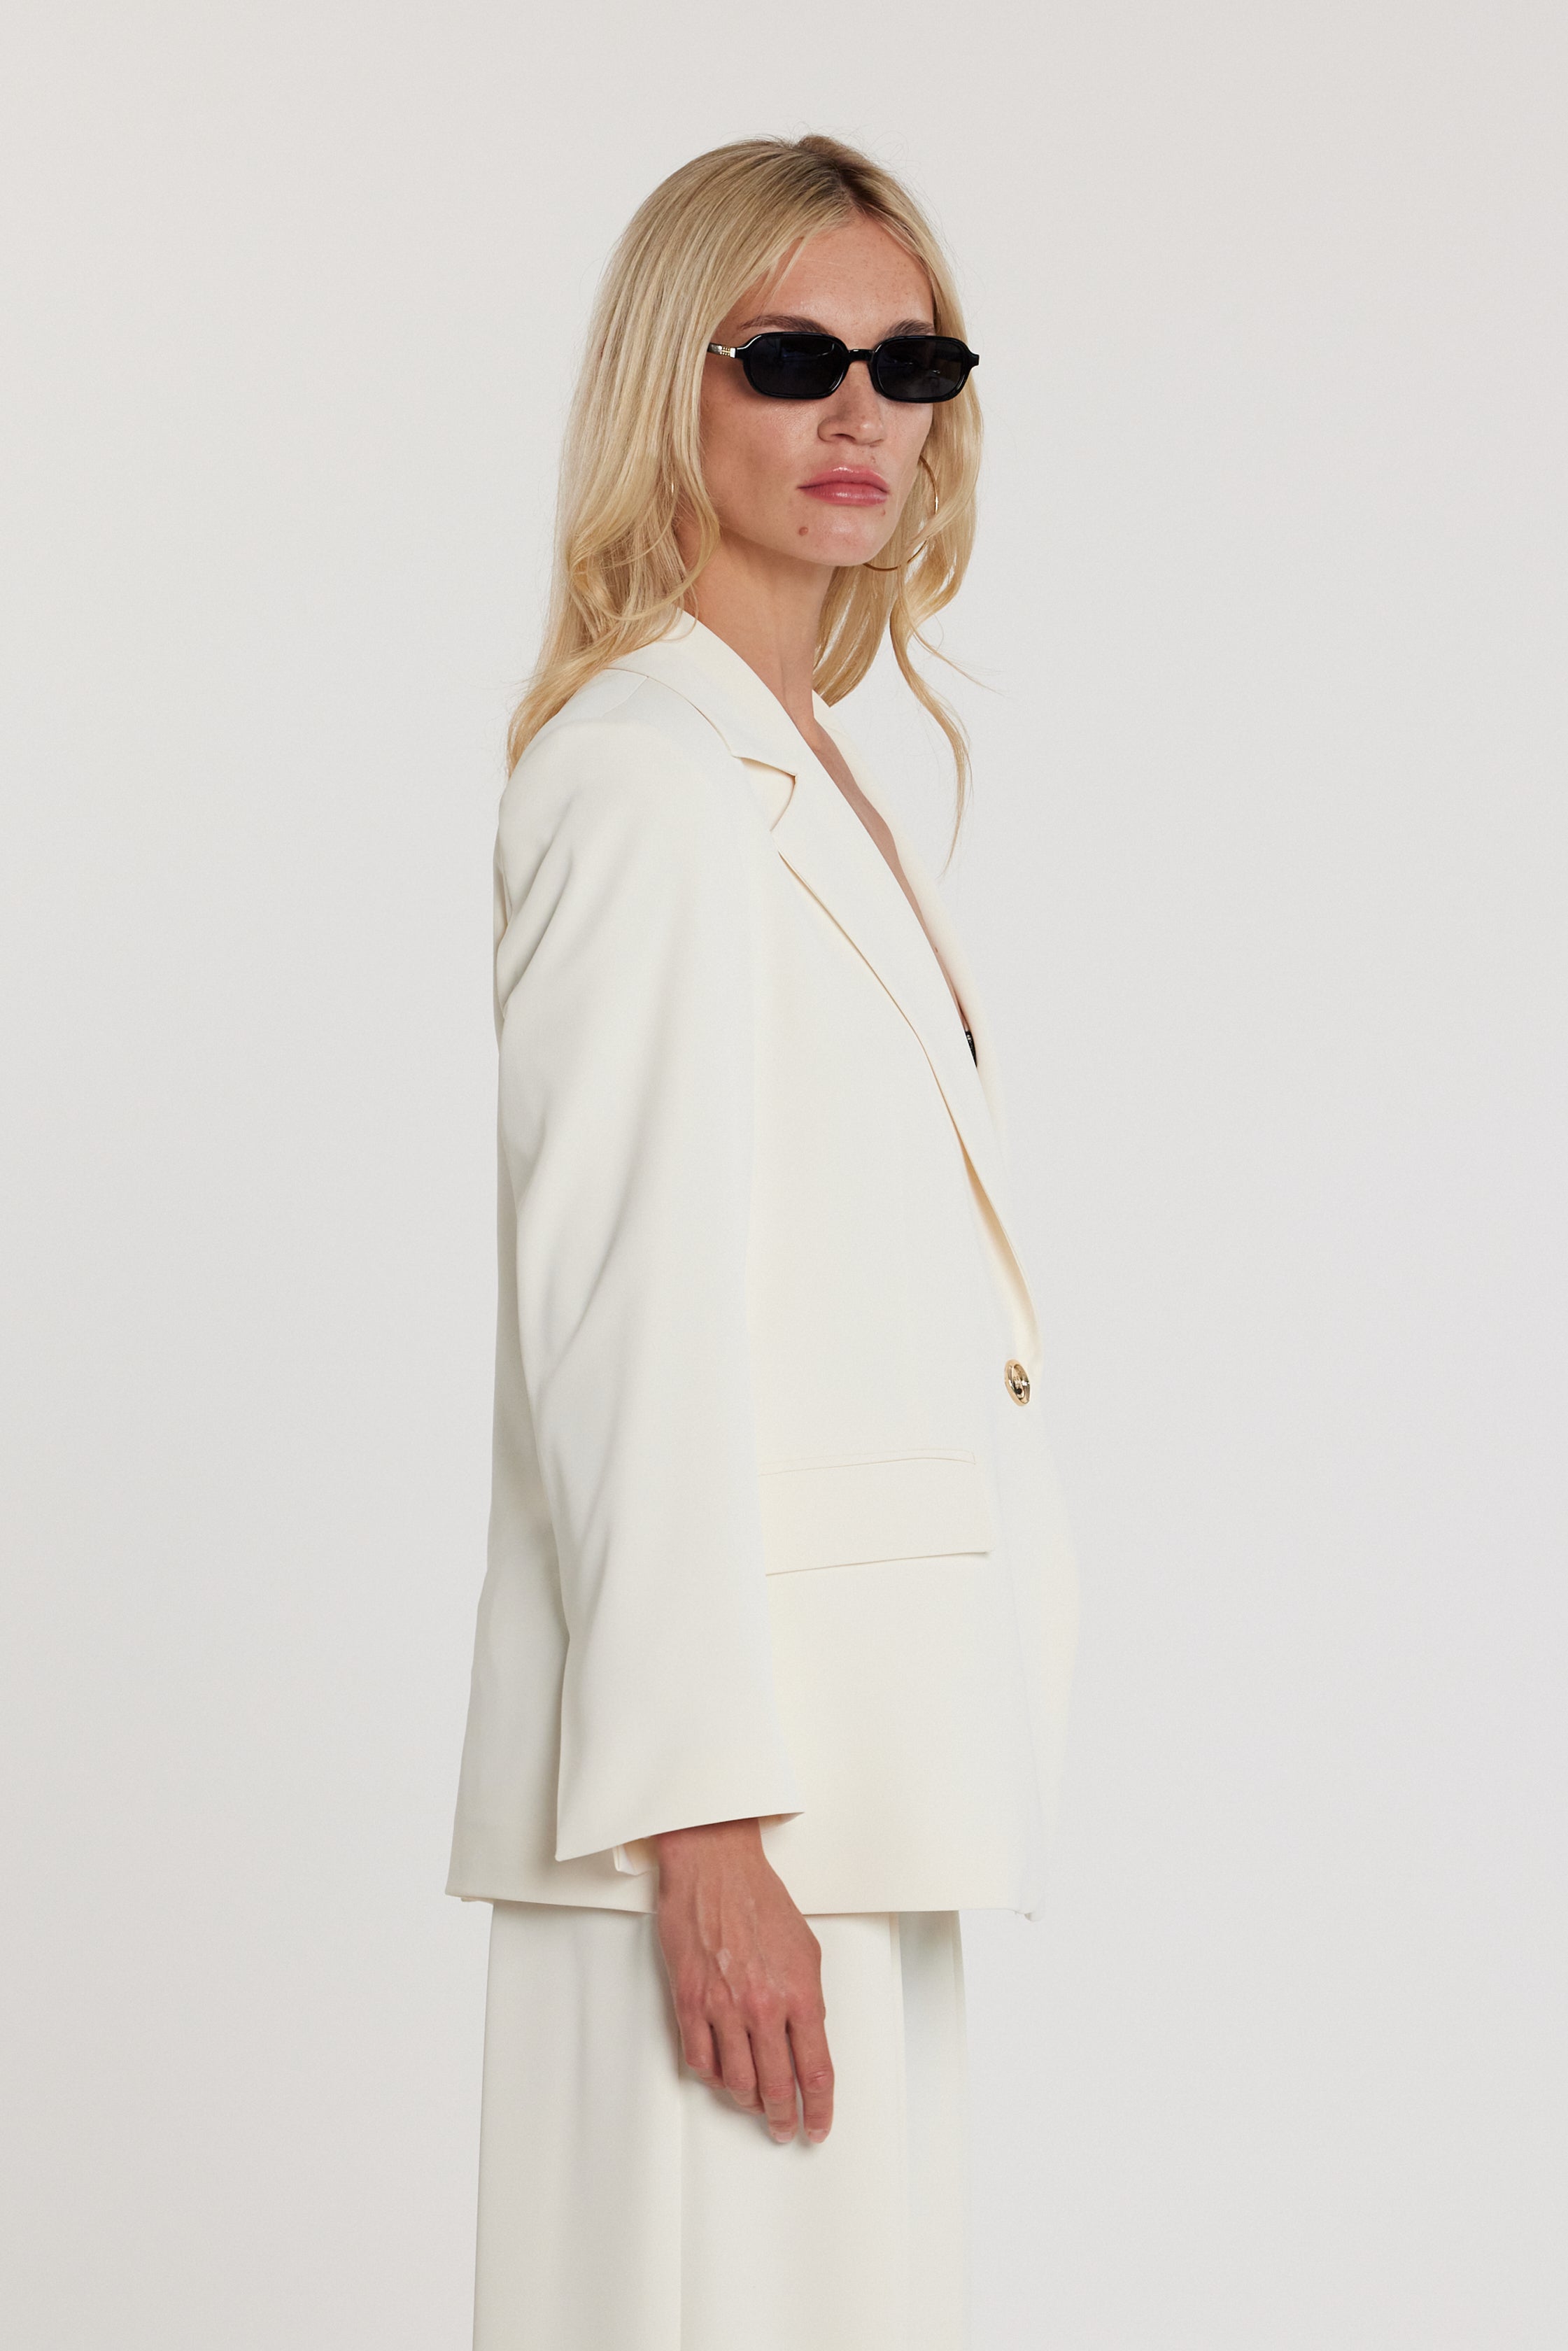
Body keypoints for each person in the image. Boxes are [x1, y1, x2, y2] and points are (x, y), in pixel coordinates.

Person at [446, 132, 1080, 2351]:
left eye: (910, 363)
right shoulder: (642, 777)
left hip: (856, 1773)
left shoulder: (795, 761)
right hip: (734, 1797)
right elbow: (618, 1316)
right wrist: (702, 1824)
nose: (858, 412)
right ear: (671, 383)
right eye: (791, 358)